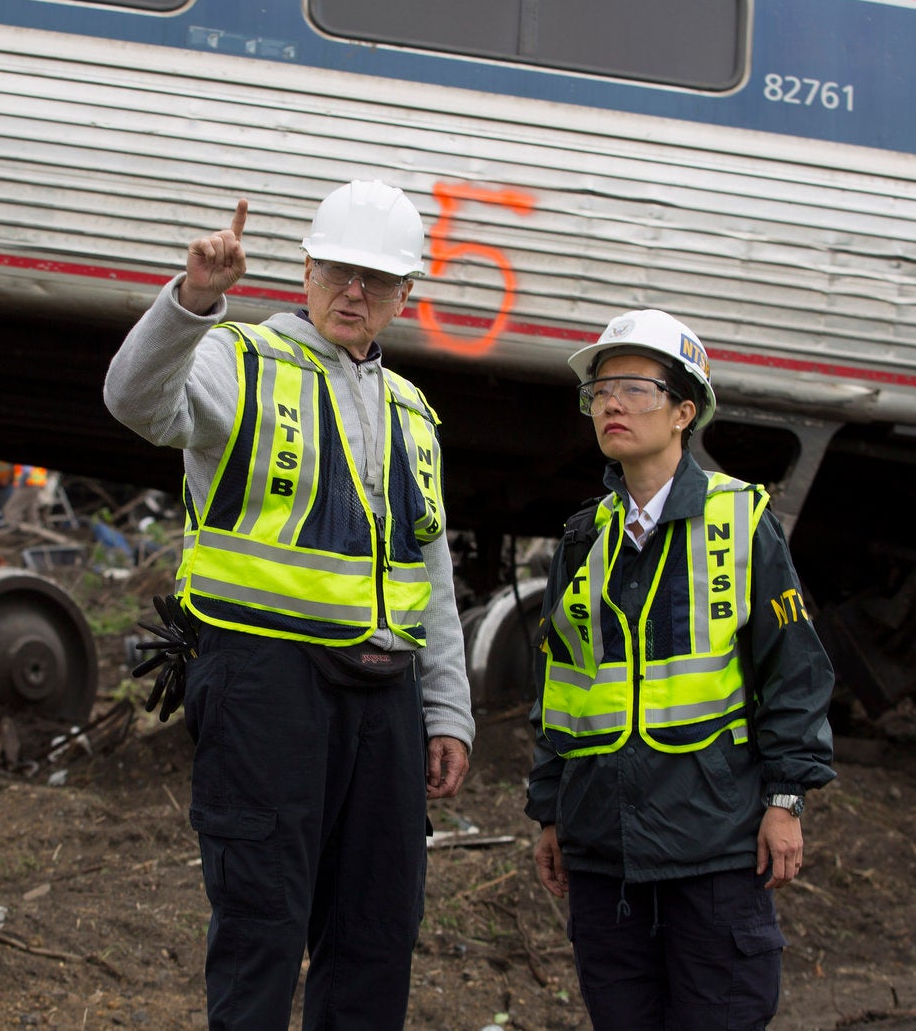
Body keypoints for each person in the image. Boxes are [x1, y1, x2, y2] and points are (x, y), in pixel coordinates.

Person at [104, 181, 473, 1031]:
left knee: (377, 934)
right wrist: (195, 299)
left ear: (403, 296)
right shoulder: (239, 362)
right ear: (306, 270)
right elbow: (132, 399)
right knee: (262, 931)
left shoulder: (412, 411)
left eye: (377, 281)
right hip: (267, 686)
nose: (355, 292)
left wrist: (446, 710)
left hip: (384, 699)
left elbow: (432, 573)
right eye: (341, 271)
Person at [527, 309, 836, 1031]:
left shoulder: (741, 522)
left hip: (715, 848)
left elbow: (795, 671)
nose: (610, 403)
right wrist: (549, 810)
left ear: (683, 411)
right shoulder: (582, 540)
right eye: (599, 391)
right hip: (605, 854)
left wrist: (786, 800)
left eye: (633, 387)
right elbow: (563, 691)